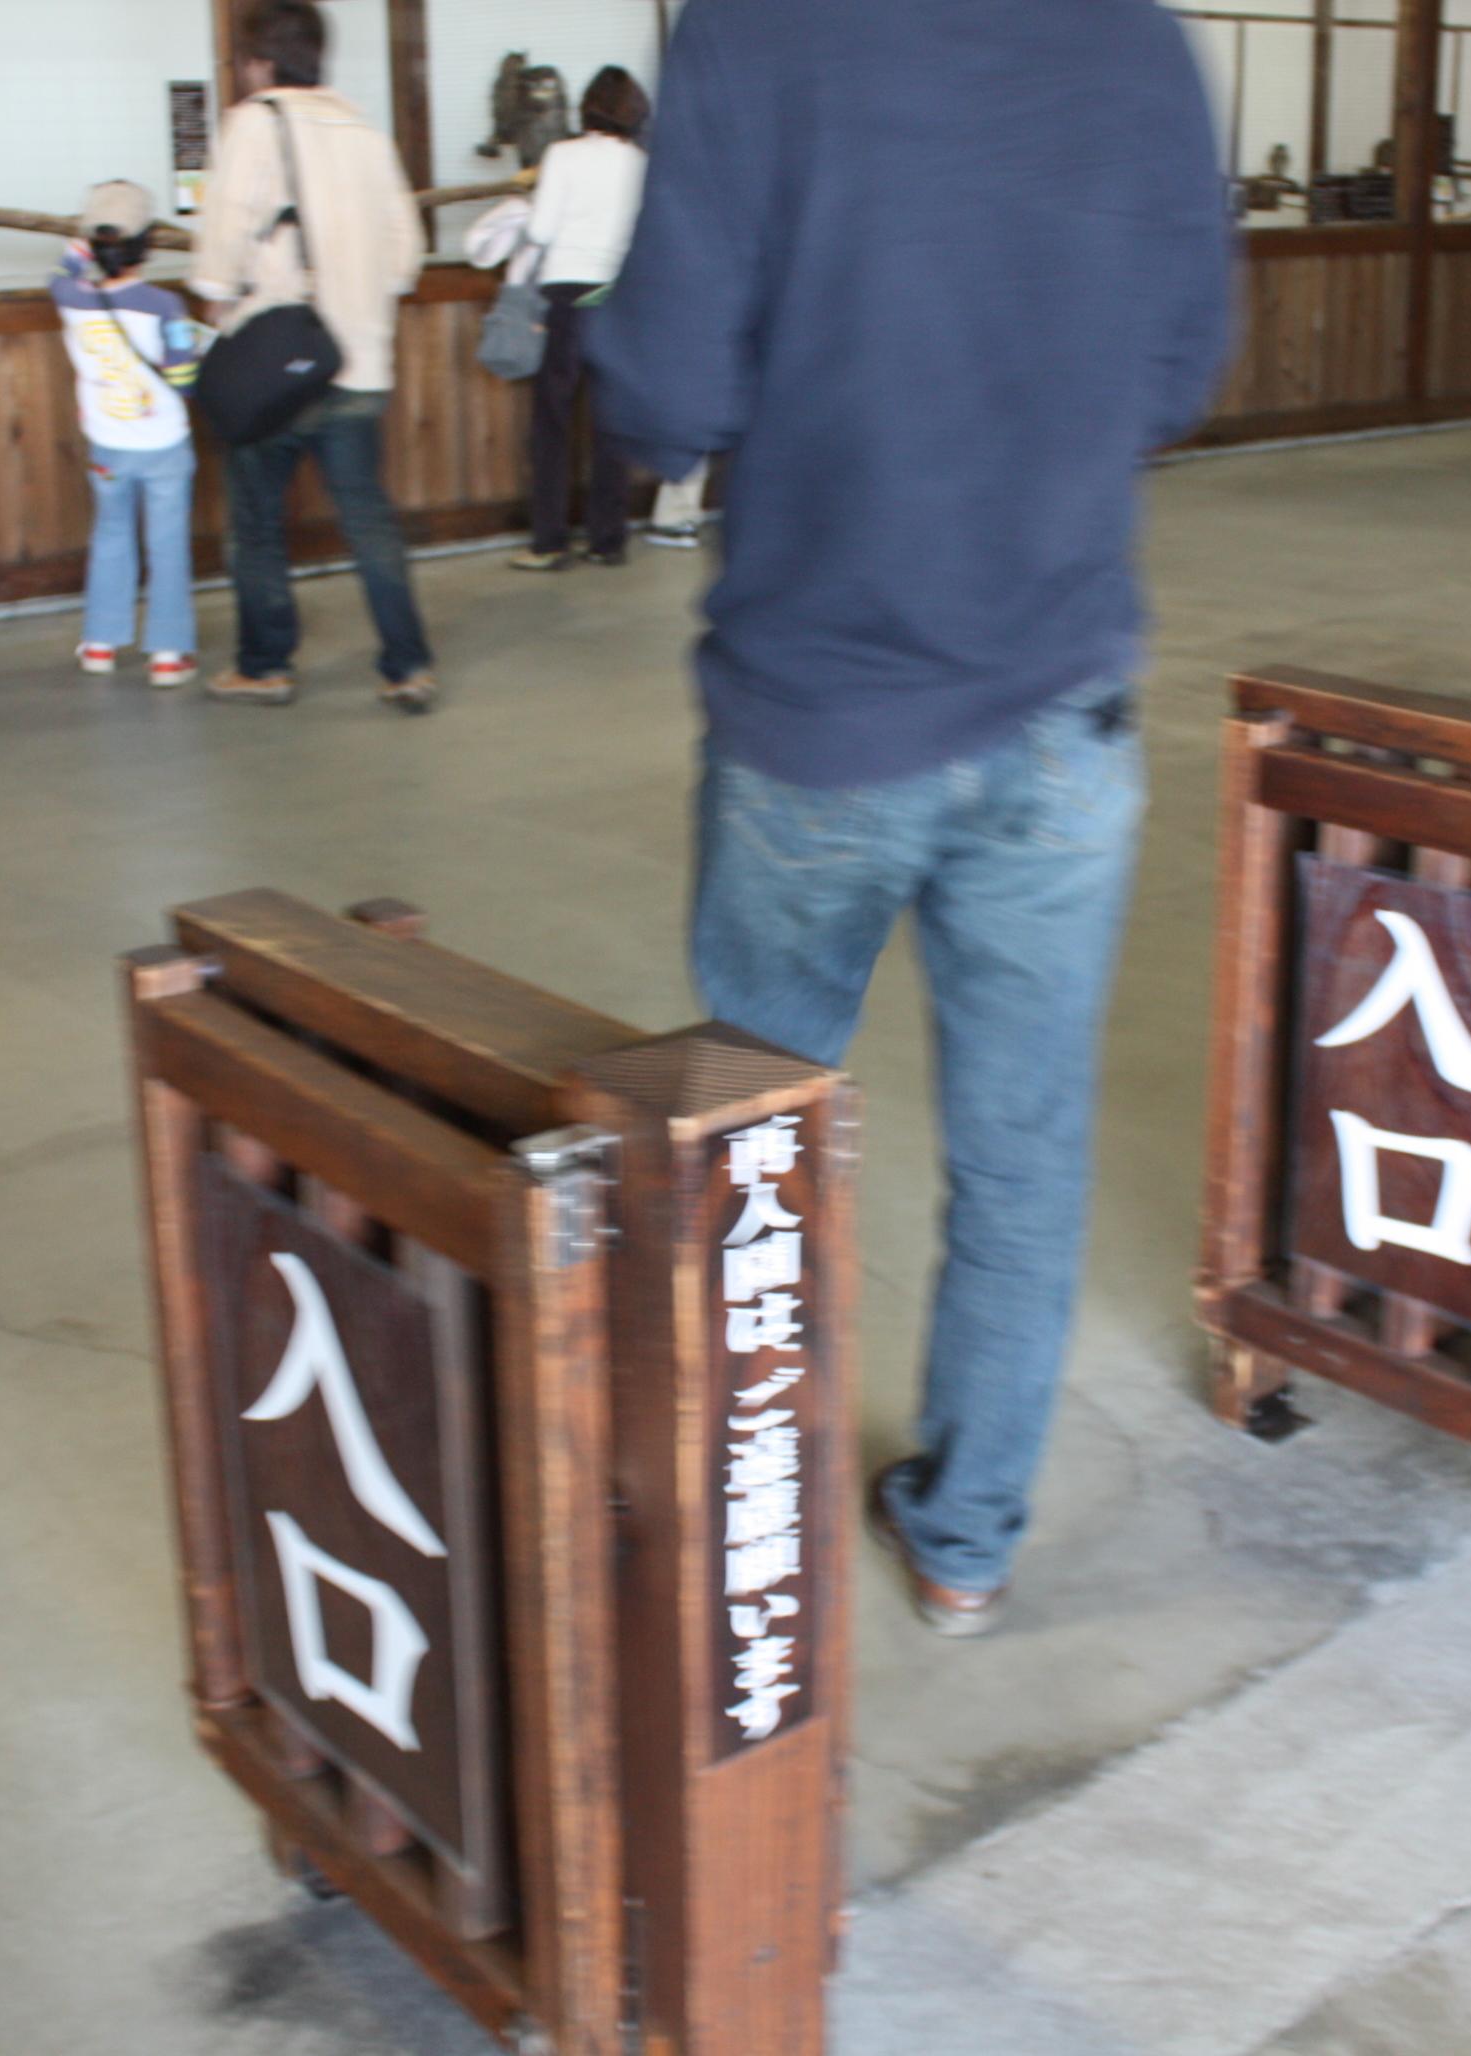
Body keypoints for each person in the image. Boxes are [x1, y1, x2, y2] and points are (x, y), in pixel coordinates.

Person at [588, 0, 1233, 1636]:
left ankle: (742, 1520)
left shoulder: (757, 31)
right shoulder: (1138, 43)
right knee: (1023, 1154)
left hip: (820, 713)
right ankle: (965, 1540)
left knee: (751, 1145)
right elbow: (1182, 366)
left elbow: (663, 387)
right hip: (1062, 702)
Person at [191, 1, 435, 713]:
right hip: (357, 363)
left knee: (257, 523)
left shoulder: (254, 122)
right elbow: (406, 253)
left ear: (261, 60)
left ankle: (266, 666)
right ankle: (408, 666)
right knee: (368, 520)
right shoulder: (364, 130)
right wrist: (357, 298)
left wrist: (218, 298)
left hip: (276, 363)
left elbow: (224, 231)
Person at [52, 181, 204, 689]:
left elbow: (61, 272)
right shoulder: (165, 305)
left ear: (94, 246)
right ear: (148, 245)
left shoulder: (70, 296)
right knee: (167, 543)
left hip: (108, 445)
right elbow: (184, 378)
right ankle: (167, 654)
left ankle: (100, 643)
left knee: (111, 535)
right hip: (163, 445)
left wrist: (80, 251)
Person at [511, 67, 652, 573]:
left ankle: (549, 542)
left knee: (552, 419)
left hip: (568, 292)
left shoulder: (563, 155)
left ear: (586, 107)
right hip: (618, 293)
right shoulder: (642, 164)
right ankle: (607, 540)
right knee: (610, 420)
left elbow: (542, 230)